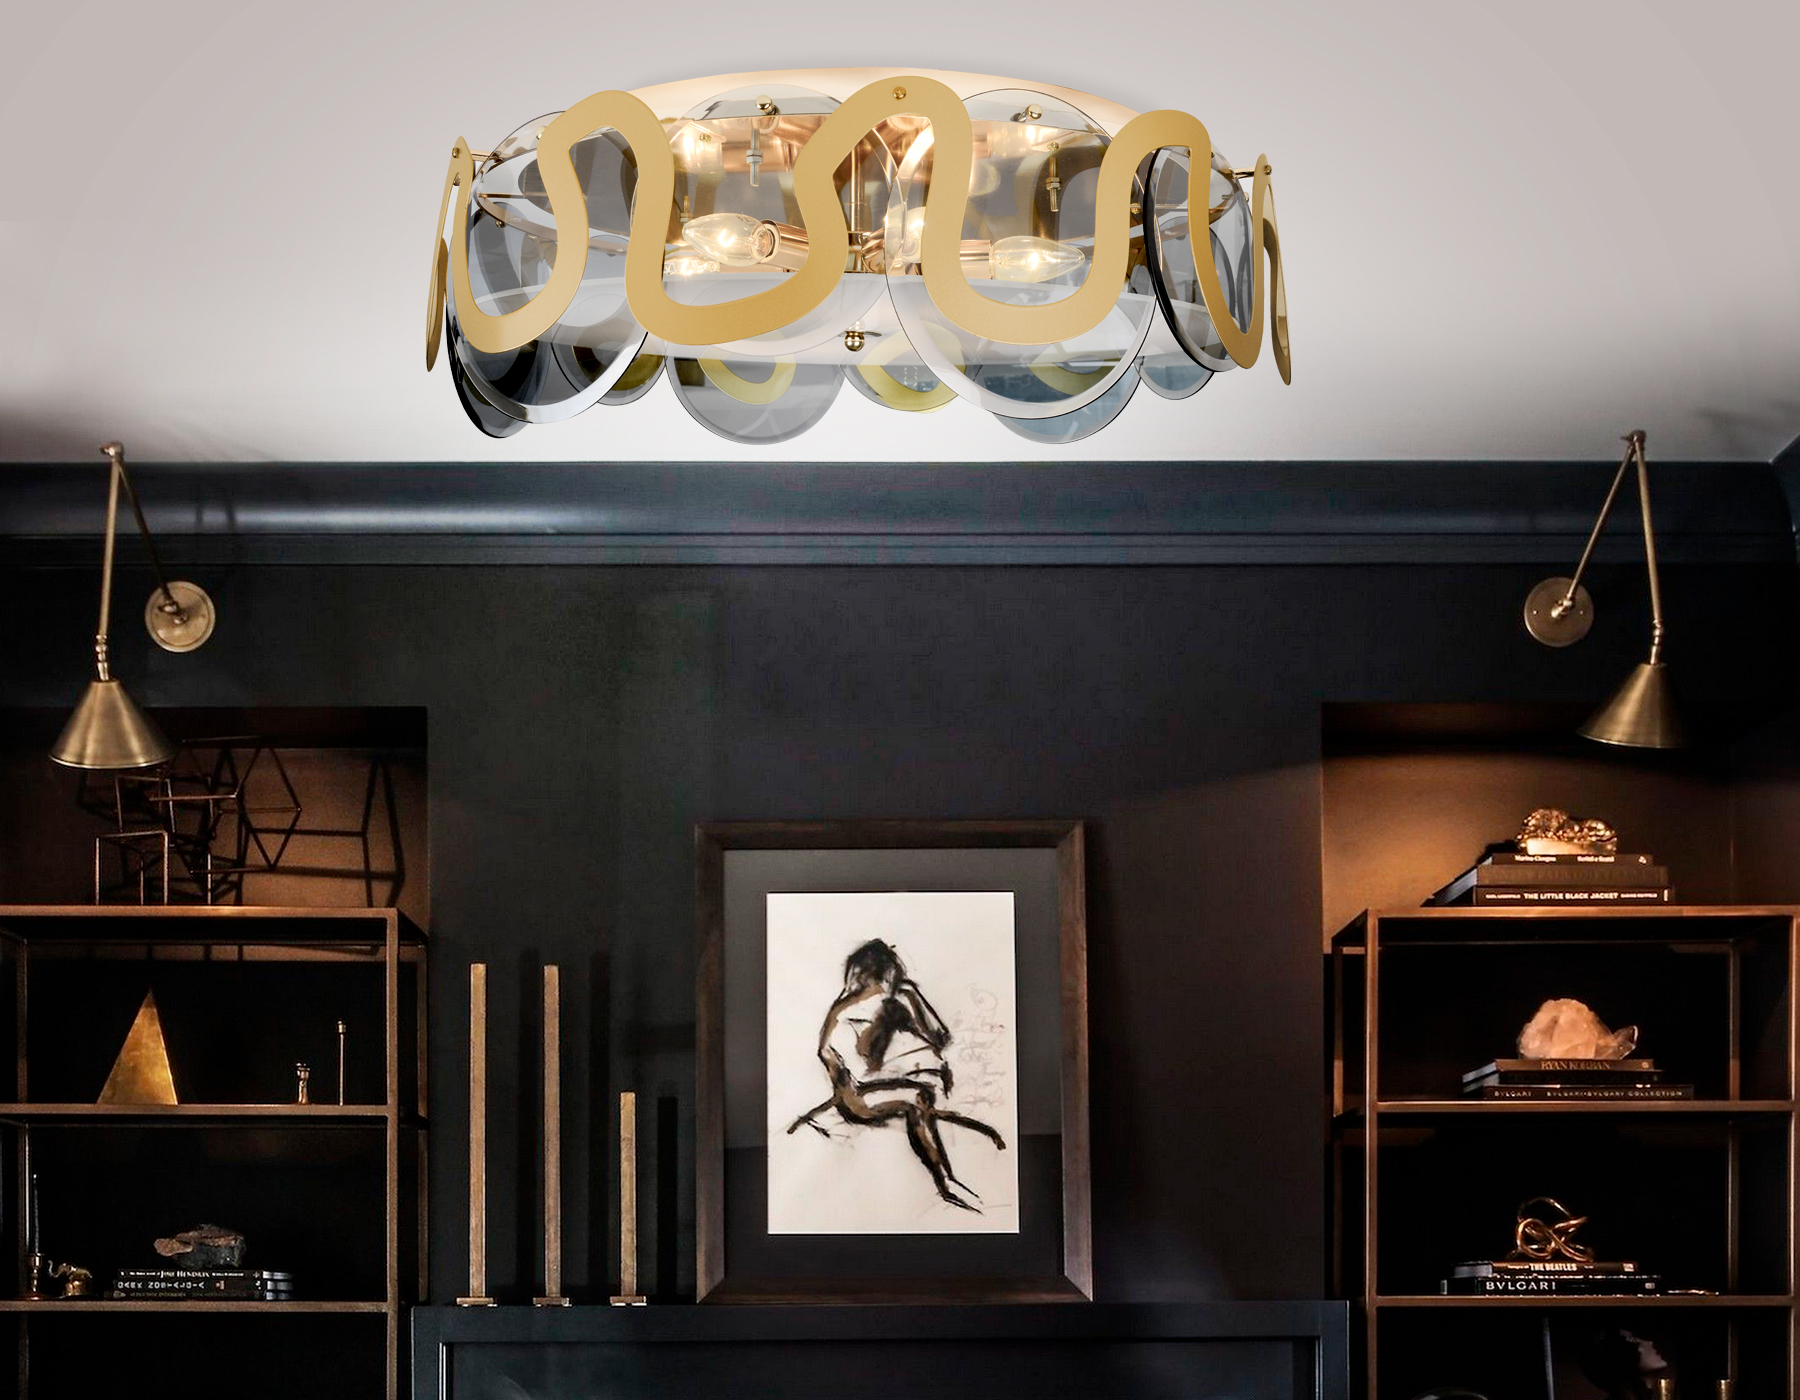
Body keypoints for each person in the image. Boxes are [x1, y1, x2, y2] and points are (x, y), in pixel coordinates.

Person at [787, 938, 1005, 1211]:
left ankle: (949, 1176)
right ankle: (946, 1184)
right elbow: (834, 1061)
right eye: (885, 976)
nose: (887, 983)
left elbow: (940, 1036)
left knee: (921, 1095)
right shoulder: (845, 1012)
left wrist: (911, 1001)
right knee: (915, 1100)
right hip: (859, 1094)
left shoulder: (898, 998)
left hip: (894, 1083)